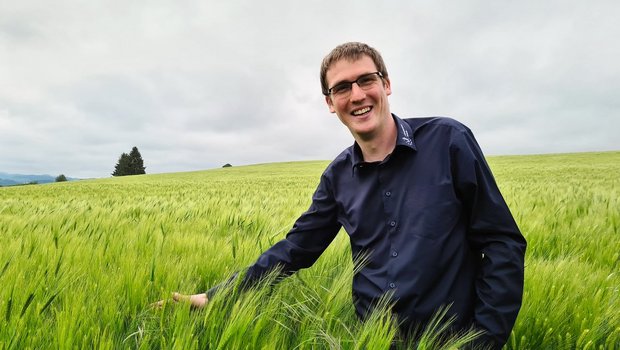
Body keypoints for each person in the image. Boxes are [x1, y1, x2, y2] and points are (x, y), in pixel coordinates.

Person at [160, 42, 526, 349]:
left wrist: (485, 340)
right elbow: (295, 249)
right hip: (376, 339)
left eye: (366, 80)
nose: (357, 95)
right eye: (341, 87)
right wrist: (216, 296)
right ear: (330, 103)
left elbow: (501, 242)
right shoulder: (337, 177)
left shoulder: (448, 141)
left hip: (453, 339)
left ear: (386, 84)